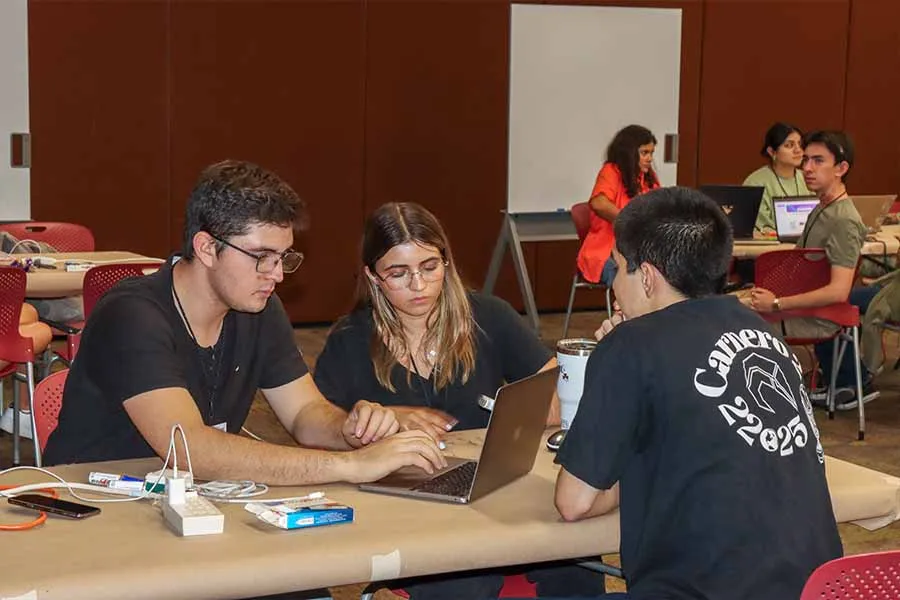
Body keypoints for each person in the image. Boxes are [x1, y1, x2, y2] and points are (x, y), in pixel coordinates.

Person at [44, 160, 445, 486]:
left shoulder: (259, 308)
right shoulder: (132, 315)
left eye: (283, 258)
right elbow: (190, 449)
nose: (277, 275)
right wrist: (350, 466)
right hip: (93, 506)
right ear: (207, 248)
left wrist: (351, 430)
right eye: (261, 257)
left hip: (188, 500)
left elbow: (305, 413)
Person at [554, 186, 842, 600]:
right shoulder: (762, 332)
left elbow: (574, 503)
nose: (613, 287)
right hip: (813, 589)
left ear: (647, 276)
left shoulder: (631, 344)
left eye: (617, 268)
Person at [314, 201, 605, 599]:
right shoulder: (350, 340)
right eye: (398, 273)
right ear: (373, 277)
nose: (418, 284)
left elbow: (556, 392)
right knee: (464, 579)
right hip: (408, 515)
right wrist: (365, 423)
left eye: (429, 267)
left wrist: (530, 411)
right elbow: (319, 430)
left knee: (575, 562)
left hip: (495, 494)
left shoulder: (489, 316)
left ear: (446, 261)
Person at [748, 130, 879, 410]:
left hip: (817, 317)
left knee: (730, 318)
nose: (807, 167)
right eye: (806, 160)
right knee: (729, 305)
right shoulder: (823, 207)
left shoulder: (843, 220)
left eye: (818, 161)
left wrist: (776, 303)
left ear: (841, 168)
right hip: (802, 306)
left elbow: (838, 291)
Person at [576, 125, 660, 286]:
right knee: (631, 279)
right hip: (605, 251)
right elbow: (598, 203)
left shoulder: (649, 178)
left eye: (651, 153)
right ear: (629, 153)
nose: (650, 158)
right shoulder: (611, 172)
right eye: (644, 153)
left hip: (639, 250)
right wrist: (629, 220)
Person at [743, 122, 811, 235]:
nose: (798, 150)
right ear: (772, 151)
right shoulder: (755, 182)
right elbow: (762, 227)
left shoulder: (808, 178)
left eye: (800, 144)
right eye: (789, 145)